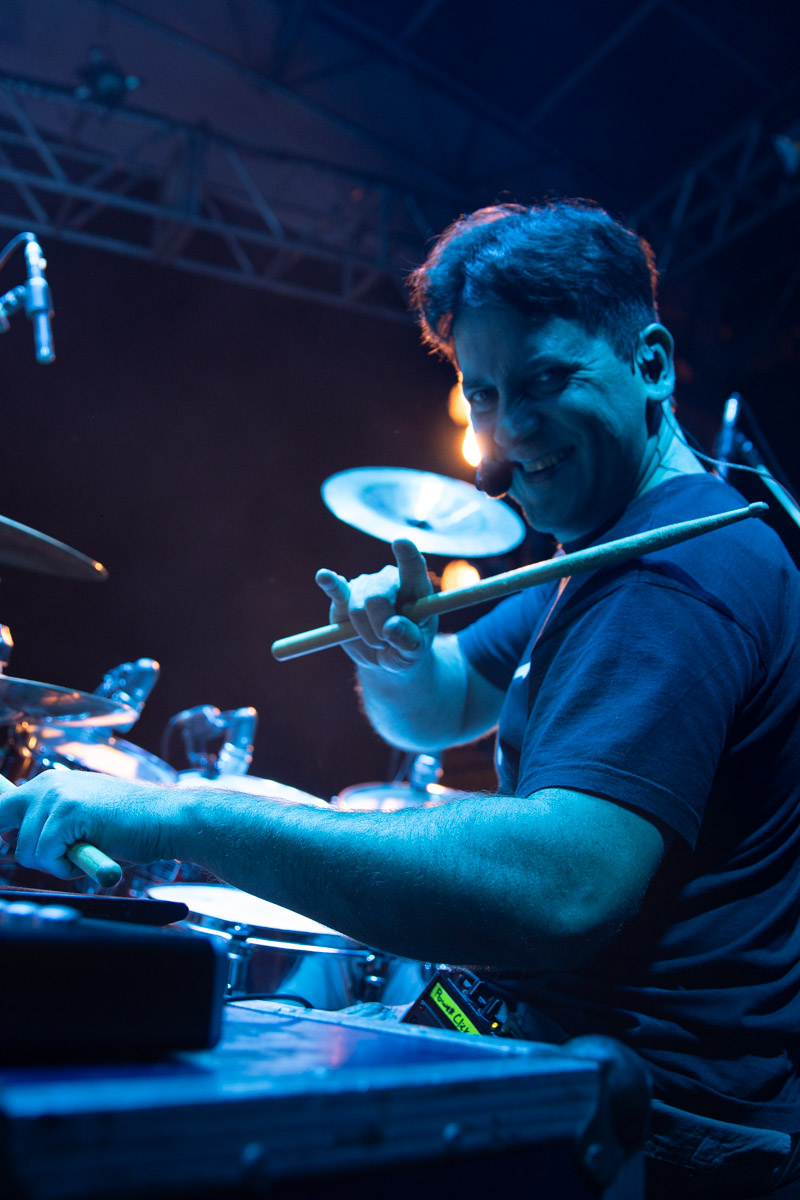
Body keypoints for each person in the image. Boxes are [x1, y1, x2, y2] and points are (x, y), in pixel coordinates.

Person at [3, 200, 800, 1197]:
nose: (508, 434)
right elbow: (438, 708)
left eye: (545, 382)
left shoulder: (674, 576)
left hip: (656, 1123)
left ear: (650, 364)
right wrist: (395, 657)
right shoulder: (600, 554)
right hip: (567, 1048)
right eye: (485, 393)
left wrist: (187, 815)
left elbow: (561, 890)